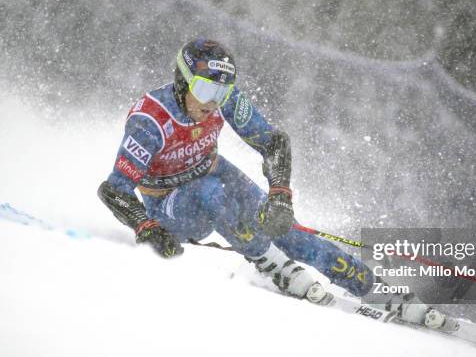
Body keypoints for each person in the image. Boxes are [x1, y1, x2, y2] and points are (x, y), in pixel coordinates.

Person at [97, 37, 455, 330]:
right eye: (205, 90)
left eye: (221, 93)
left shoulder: (224, 101)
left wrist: (280, 194)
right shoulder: (151, 120)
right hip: (170, 203)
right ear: (182, 81)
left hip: (213, 170)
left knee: (288, 230)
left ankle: (378, 290)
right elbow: (114, 190)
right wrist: (146, 226)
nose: (213, 104)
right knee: (212, 194)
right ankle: (272, 265)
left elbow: (274, 142)